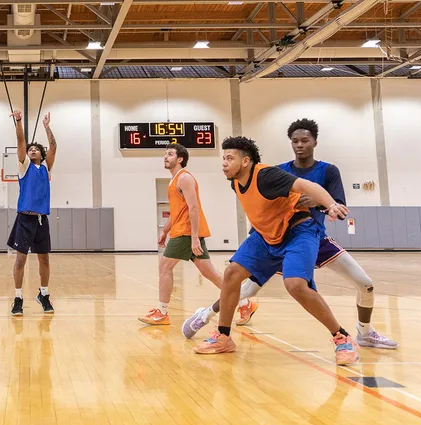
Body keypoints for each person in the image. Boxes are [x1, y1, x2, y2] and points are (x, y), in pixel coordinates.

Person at [183, 120, 398, 349]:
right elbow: (264, 205)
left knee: (363, 284)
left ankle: (363, 333)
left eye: (304, 140)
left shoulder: (327, 170)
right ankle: (210, 320)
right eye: (295, 141)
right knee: (239, 280)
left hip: (311, 233)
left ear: (315, 142)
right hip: (274, 236)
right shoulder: (276, 171)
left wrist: (321, 203)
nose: (299, 145)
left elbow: (336, 203)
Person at [193, 136, 358, 365]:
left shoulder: (266, 175)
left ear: (246, 161)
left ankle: (342, 337)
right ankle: (223, 337)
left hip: (298, 230)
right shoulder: (235, 182)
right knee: (232, 274)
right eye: (223, 158)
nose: (224, 162)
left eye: (230, 158)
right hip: (265, 234)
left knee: (295, 285)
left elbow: (306, 186)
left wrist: (330, 204)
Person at [139, 143, 224, 326]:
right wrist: (165, 230)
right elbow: (177, 210)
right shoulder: (174, 180)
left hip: (186, 232)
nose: (165, 157)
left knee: (164, 267)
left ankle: (162, 312)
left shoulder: (184, 178)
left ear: (180, 159)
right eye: (165, 154)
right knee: (209, 272)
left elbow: (193, 208)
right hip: (183, 230)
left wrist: (194, 237)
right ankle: (244, 302)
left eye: (170, 154)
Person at [8, 111, 56, 316]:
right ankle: (18, 298)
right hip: (25, 219)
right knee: (21, 260)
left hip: (41, 219)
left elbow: (53, 146)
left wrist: (47, 127)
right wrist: (18, 121)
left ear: (41, 154)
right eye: (31, 149)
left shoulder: (46, 168)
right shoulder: (24, 167)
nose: (33, 150)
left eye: (37, 149)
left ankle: (43, 294)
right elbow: (21, 140)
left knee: (44, 259)